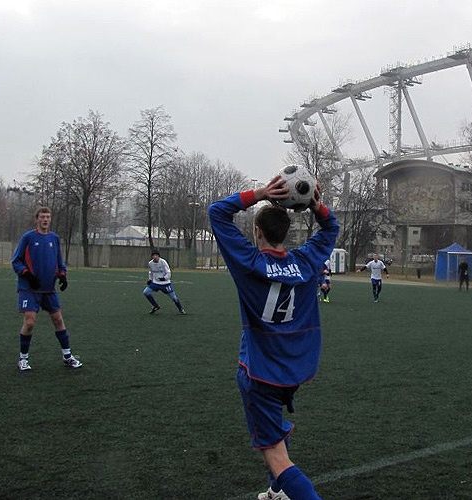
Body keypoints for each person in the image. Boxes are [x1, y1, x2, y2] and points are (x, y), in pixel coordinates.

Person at [209, 175, 338, 500]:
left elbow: (216, 212)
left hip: (261, 372)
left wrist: (261, 193)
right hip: (296, 369)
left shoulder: (249, 263)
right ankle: (276, 491)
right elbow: (331, 228)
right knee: (275, 431)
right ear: (287, 234)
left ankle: (284, 486)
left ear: (257, 232)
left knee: (276, 456)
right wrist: (317, 207)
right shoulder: (306, 262)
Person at [11, 207, 81, 371]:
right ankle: (23, 359)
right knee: (29, 322)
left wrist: (62, 275)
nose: (45, 220)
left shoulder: (54, 238)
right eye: (42, 217)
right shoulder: (28, 237)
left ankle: (67, 356)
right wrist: (27, 274)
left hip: (48, 289)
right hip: (29, 288)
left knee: (58, 320)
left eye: (48, 217)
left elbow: (59, 261)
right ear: (37, 219)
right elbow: (16, 261)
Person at [143, 249, 186, 315]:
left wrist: (164, 278)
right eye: (153, 255)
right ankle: (155, 306)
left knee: (174, 297)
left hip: (165, 284)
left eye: (156, 255)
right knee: (146, 292)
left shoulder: (163, 262)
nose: (155, 257)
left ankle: (181, 309)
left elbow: (168, 272)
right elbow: (150, 272)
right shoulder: (150, 263)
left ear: (159, 256)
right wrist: (150, 279)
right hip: (155, 283)